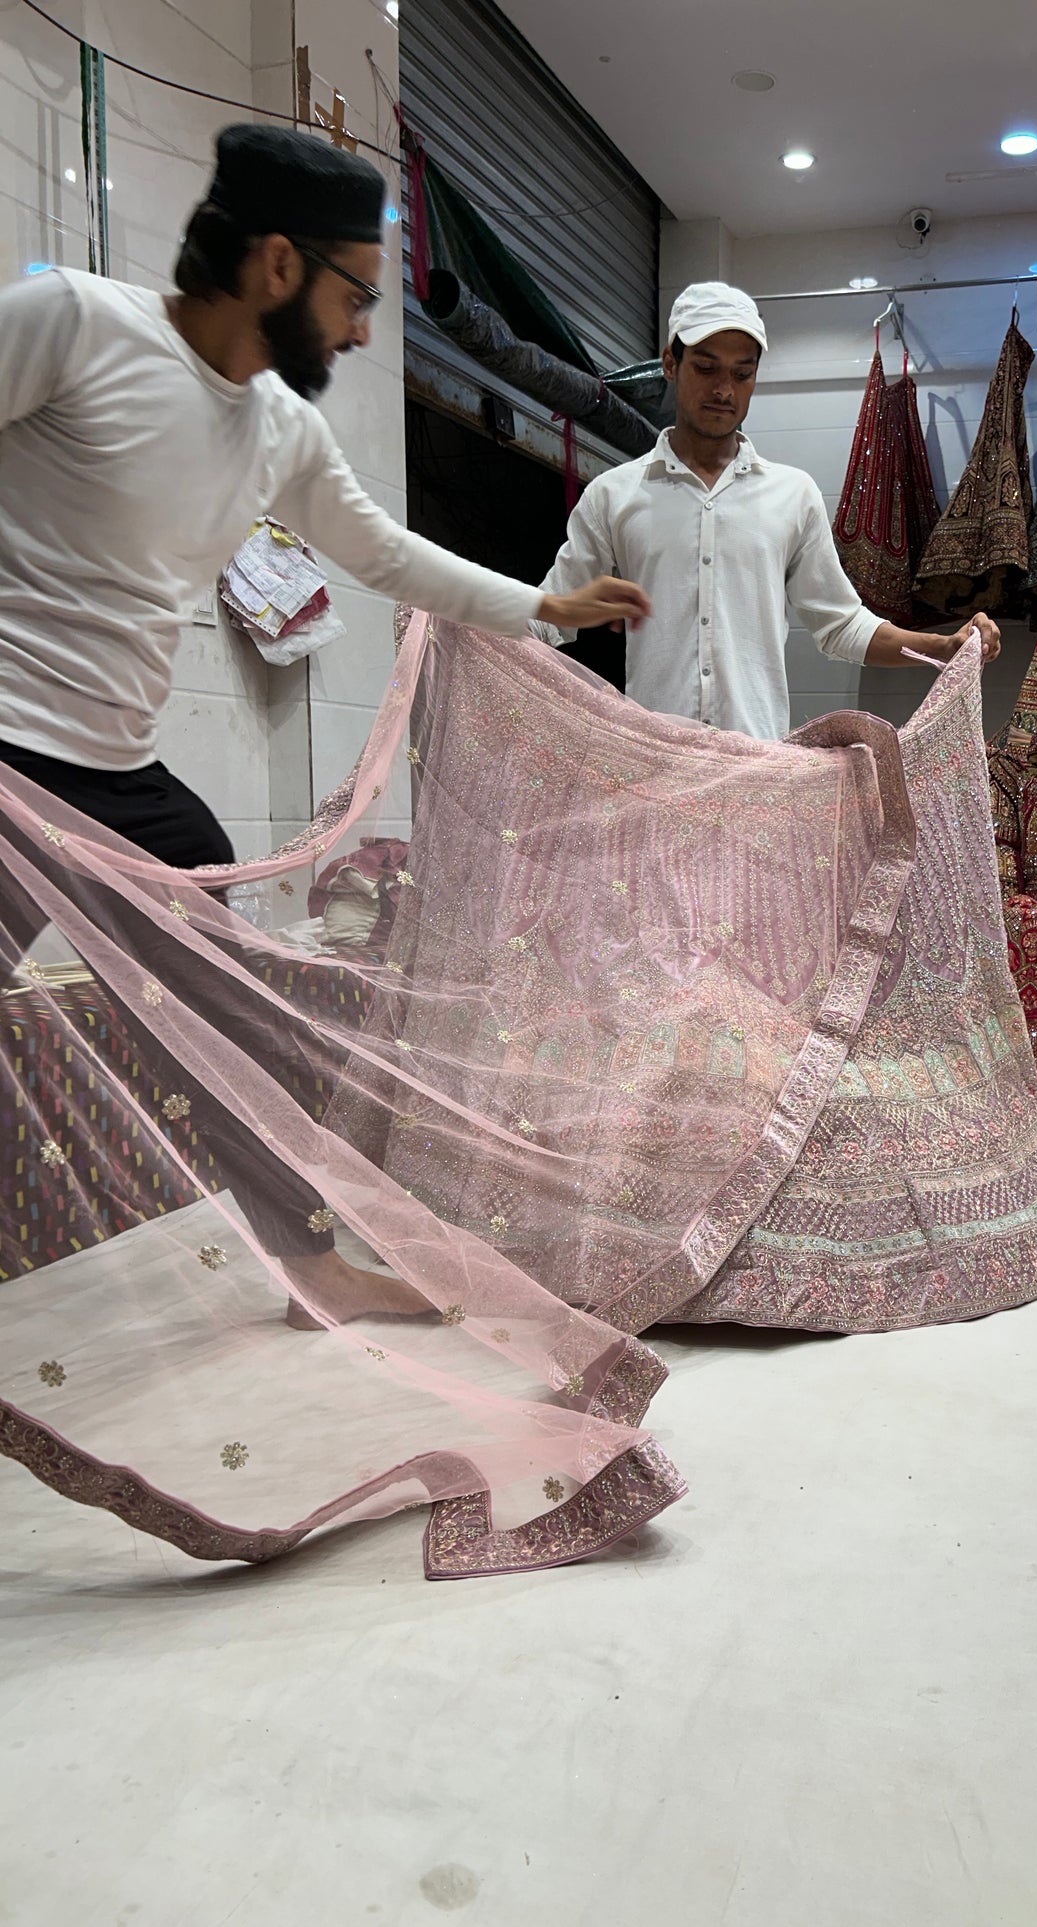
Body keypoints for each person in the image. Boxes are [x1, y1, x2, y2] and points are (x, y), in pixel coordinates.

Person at [0, 122, 649, 1319]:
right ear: (280, 264)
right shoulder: (73, 322)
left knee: (240, 1011)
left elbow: (380, 553)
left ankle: (307, 1269)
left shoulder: (280, 429)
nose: (361, 331)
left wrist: (544, 605)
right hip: (5, 756)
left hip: (119, 774)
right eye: (357, 294)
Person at [531, 281, 1000, 739]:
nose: (724, 390)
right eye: (706, 368)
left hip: (759, 775)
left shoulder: (792, 495)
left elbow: (841, 625)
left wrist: (943, 647)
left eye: (741, 373)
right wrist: (465, 605)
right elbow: (549, 615)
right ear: (671, 364)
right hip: (657, 770)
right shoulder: (614, 496)